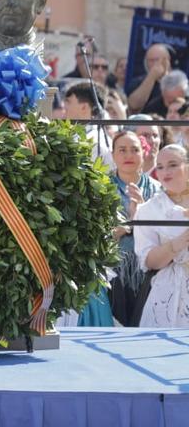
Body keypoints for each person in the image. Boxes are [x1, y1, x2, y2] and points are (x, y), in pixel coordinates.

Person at [109, 131, 161, 326]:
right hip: (113, 272)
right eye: (122, 150)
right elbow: (97, 238)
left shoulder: (158, 189)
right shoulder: (102, 188)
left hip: (150, 272)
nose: (128, 155)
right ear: (113, 155)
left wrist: (143, 211)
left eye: (134, 150)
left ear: (144, 153)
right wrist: (131, 222)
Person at [135, 145, 189, 327]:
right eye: (160, 166)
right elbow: (149, 261)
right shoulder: (149, 210)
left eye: (172, 164)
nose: (165, 171)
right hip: (169, 292)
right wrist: (179, 243)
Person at [64, 81, 114, 170]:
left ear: (84, 107)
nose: (65, 107)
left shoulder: (95, 142)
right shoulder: (82, 135)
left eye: (69, 102)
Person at [127, 43, 177, 116]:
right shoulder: (138, 81)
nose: (154, 64)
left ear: (167, 60)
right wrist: (152, 77)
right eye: (151, 60)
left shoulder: (178, 80)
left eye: (156, 60)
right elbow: (134, 105)